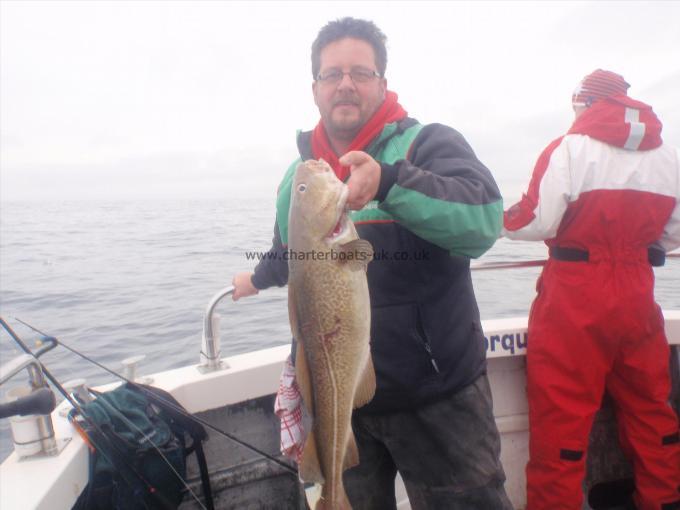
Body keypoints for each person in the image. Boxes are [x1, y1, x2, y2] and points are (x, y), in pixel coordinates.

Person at [232, 17, 512, 509]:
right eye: (331, 74)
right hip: (336, 396)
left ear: (382, 82)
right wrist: (254, 279)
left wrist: (387, 183)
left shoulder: (429, 144)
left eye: (360, 72)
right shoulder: (299, 178)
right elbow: (289, 254)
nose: (345, 83)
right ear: (315, 88)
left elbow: (484, 221)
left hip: (440, 397)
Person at [503, 69, 680, 510]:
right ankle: (663, 500)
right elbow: (673, 233)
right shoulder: (669, 156)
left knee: (562, 422)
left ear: (585, 102)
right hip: (638, 293)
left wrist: (502, 219)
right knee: (650, 409)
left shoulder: (569, 148)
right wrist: (639, 247)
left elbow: (535, 221)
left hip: (575, 298)